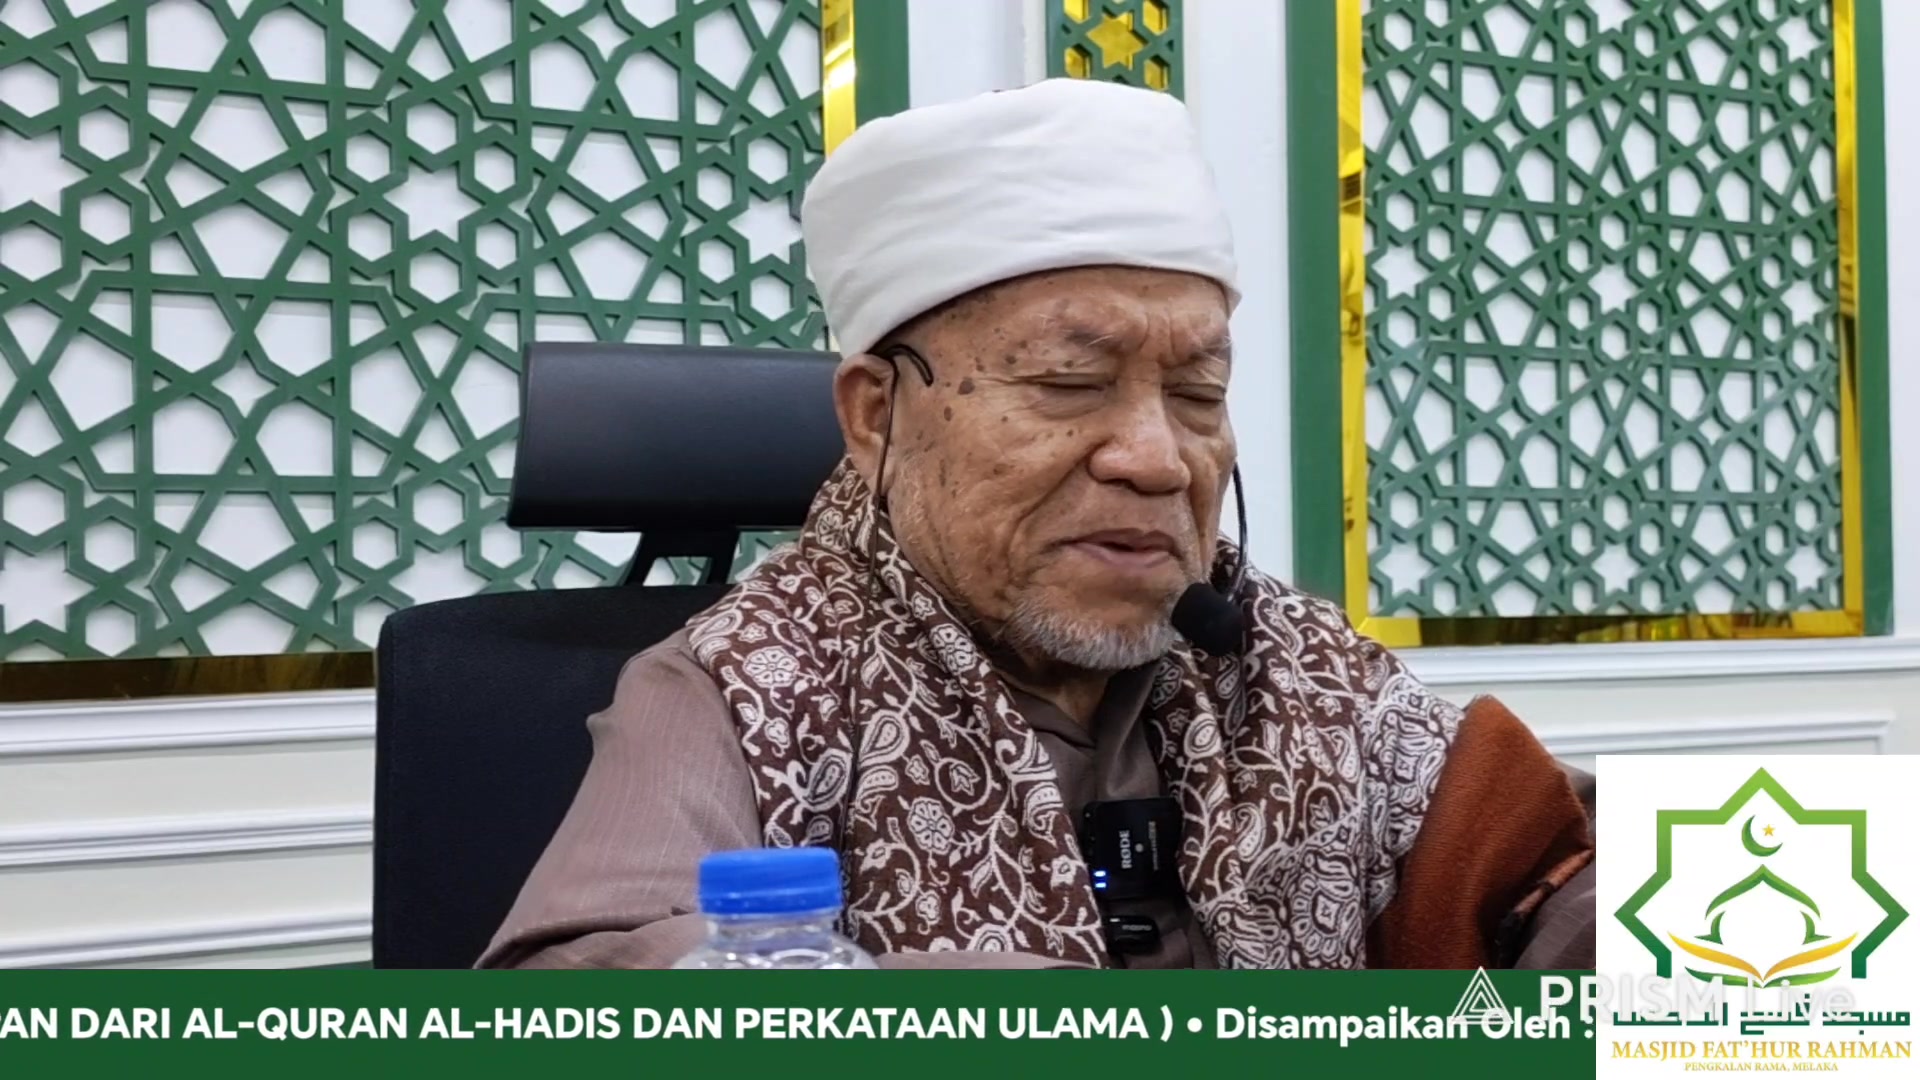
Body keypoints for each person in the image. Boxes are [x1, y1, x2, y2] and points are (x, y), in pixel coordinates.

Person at [479, 79, 1595, 970]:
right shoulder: (751, 685)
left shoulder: (1295, 670)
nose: (1156, 457)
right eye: (1069, 382)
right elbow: (580, 992)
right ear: (877, 415)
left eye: (1198, 394)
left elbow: (1564, 875)